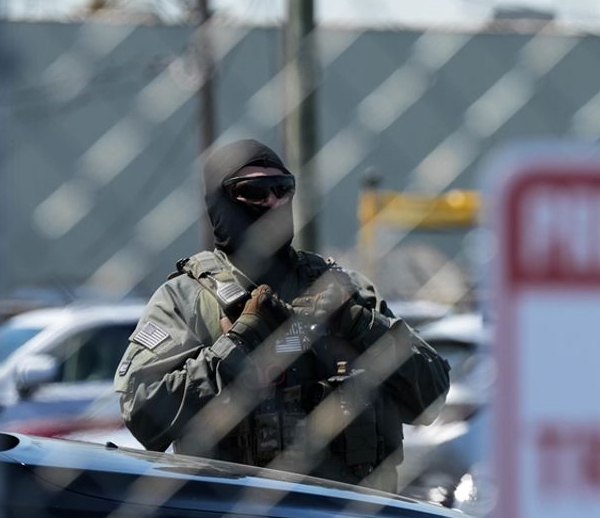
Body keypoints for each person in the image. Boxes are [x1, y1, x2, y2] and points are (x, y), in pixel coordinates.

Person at [114, 139, 450, 492]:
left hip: (355, 513)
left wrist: (360, 324)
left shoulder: (343, 288)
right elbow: (142, 413)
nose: (273, 202)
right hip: (240, 511)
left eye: (282, 189)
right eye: (254, 192)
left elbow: (431, 400)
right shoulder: (187, 299)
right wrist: (238, 345)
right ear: (220, 203)